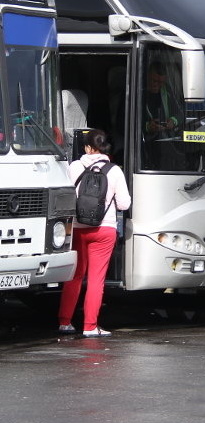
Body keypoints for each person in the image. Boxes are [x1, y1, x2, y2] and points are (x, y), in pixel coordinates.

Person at [58, 129, 131, 337]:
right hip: (104, 229)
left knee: (74, 276)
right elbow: (124, 204)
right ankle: (90, 326)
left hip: (78, 229)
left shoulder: (74, 167)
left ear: (87, 147)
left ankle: (65, 322)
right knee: (96, 279)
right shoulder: (114, 170)